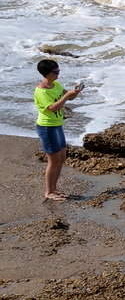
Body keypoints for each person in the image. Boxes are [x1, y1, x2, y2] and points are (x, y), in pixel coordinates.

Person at [34, 58, 84, 201]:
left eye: (58, 71)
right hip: (46, 127)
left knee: (61, 157)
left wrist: (75, 92)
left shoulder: (56, 84)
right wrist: (67, 96)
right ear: (47, 73)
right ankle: (49, 191)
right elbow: (52, 108)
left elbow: (69, 98)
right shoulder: (41, 91)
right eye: (55, 72)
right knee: (53, 161)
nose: (58, 74)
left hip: (57, 125)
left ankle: (54, 188)